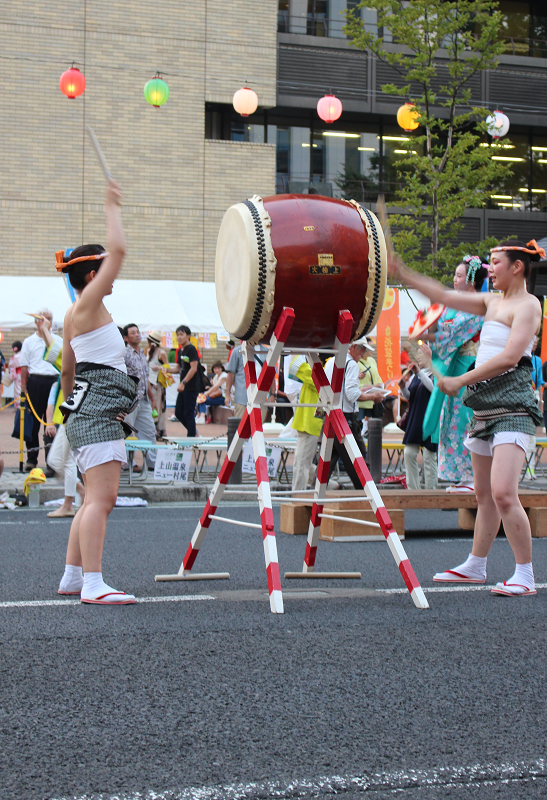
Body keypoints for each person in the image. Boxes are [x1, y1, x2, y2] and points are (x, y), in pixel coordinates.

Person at [390, 239, 544, 597]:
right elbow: (444, 295)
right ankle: (475, 564)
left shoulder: (529, 306)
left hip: (514, 407)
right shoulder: (490, 301)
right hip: (483, 408)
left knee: (505, 493)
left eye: (495, 262)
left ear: (517, 267)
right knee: (485, 495)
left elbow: (509, 357)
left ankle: (525, 574)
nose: (489, 269)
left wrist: (460, 379)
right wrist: (404, 273)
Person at [57, 178, 137, 604]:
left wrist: (68, 414)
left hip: (85, 412)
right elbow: (119, 250)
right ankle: (92, 583)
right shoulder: (87, 302)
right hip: (95, 416)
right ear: (92, 273)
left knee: (91, 498)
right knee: (102, 500)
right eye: (105, 269)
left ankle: (74, 575)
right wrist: (111, 205)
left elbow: (68, 373)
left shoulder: (75, 312)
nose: (114, 276)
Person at [421, 256, 487, 492]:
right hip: (457, 364)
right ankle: (462, 477)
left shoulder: (477, 306)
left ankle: (471, 478)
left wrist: (435, 327)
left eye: (459, 275)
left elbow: (450, 335)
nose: (455, 280)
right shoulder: (458, 304)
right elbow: (443, 332)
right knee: (451, 419)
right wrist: (431, 317)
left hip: (468, 366)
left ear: (471, 279)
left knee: (464, 419)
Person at [39, 315, 85, 518]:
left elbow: (58, 353)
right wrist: (45, 331)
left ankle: (77, 496)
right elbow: (57, 352)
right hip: (72, 414)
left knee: (59, 461)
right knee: (62, 461)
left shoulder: (77, 358)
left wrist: (46, 330)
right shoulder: (82, 354)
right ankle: (72, 500)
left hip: (73, 414)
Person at [324, 337, 386, 489]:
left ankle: (315, 492)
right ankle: (366, 493)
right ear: (353, 347)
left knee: (328, 460)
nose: (363, 354)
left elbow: (338, 389)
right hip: (346, 418)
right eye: (362, 349)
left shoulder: (332, 361)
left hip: (331, 415)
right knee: (359, 458)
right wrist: (373, 396)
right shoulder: (351, 364)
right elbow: (351, 394)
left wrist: (361, 391)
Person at [19, 309, 62, 472]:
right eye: (42, 319)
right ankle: (31, 459)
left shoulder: (57, 340)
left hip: (54, 380)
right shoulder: (29, 341)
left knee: (52, 423)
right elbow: (24, 367)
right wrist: (24, 388)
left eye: (49, 319)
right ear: (37, 321)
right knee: (33, 423)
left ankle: (51, 462)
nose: (45, 321)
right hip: (36, 381)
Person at [123, 324, 158, 469]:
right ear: (126, 337)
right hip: (129, 400)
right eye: (133, 333)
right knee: (124, 432)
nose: (137, 335)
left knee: (149, 431)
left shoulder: (142, 354)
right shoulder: (124, 353)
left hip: (143, 400)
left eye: (137, 332)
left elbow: (145, 378)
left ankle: (152, 463)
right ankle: (126, 463)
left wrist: (152, 397)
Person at [398, 361, 437, 490]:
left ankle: (432, 492)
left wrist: (419, 372)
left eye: (422, 354)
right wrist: (403, 388)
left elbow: (434, 390)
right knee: (409, 453)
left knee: (429, 456)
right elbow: (411, 397)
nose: (419, 357)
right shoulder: (417, 375)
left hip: (431, 418)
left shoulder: (436, 373)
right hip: (416, 418)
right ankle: (413, 490)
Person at [290, 355, 322, 491]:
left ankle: (298, 497)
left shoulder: (319, 375)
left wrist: (301, 349)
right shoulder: (318, 372)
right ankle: (331, 485)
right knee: (304, 462)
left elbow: (295, 366)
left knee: (301, 463)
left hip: (310, 423)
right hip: (308, 423)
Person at [165, 325, 202, 437]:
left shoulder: (191, 349)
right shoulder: (180, 351)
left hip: (190, 387)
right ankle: (194, 433)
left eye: (182, 334)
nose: (179, 337)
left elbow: (194, 368)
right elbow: (178, 368)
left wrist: (183, 383)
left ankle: (191, 438)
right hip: (184, 387)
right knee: (179, 413)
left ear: (188, 336)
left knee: (188, 413)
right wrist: (167, 370)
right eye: (178, 335)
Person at [147, 331, 168, 439]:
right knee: (151, 405)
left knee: (158, 406)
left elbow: (167, 369)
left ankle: (158, 430)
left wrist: (159, 368)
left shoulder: (162, 353)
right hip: (149, 383)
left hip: (158, 385)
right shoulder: (149, 351)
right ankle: (152, 429)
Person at [357, 339, 384, 422]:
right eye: (369, 348)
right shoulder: (355, 362)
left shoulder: (372, 360)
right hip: (361, 401)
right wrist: (370, 387)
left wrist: (381, 386)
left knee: (370, 428)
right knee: (360, 425)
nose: (371, 350)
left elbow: (377, 376)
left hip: (372, 401)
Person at [9, 341, 22, 410]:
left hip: (18, 374)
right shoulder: (23, 355)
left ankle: (18, 405)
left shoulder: (15, 357)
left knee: (18, 390)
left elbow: (10, 364)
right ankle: (23, 404)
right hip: (25, 373)